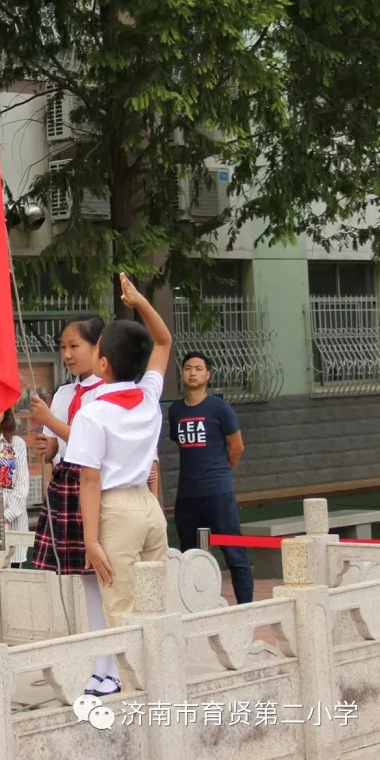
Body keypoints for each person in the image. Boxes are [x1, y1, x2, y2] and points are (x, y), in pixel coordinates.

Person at [66, 273, 171, 656]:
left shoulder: (93, 415)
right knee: (155, 606)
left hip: (116, 512)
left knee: (123, 612)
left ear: (103, 362)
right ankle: (162, 685)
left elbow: (89, 482)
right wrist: (140, 302)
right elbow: (163, 340)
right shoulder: (148, 396)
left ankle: (137, 700)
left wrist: (91, 541)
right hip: (148, 507)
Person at [26, 315, 119, 695]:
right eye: (63, 347)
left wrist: (52, 422)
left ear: (99, 348)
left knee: (108, 579)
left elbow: (92, 446)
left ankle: (112, 666)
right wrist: (48, 445)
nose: (67, 354)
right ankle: (101, 667)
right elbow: (61, 445)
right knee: (87, 583)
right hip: (67, 486)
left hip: (96, 489)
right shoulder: (64, 395)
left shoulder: (109, 392)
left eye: (75, 346)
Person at [169, 351, 253, 604]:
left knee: (233, 553)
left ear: (207, 374)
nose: (192, 372)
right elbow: (179, 444)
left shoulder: (219, 407)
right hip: (187, 494)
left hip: (218, 491)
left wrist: (222, 471)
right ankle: (197, 608)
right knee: (189, 555)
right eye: (187, 368)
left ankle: (245, 609)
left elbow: (237, 446)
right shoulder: (176, 410)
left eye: (198, 368)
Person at [0, 408, 30, 568]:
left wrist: (5, 516)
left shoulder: (15, 443)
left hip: (12, 522)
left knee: (13, 578)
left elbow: (21, 485)